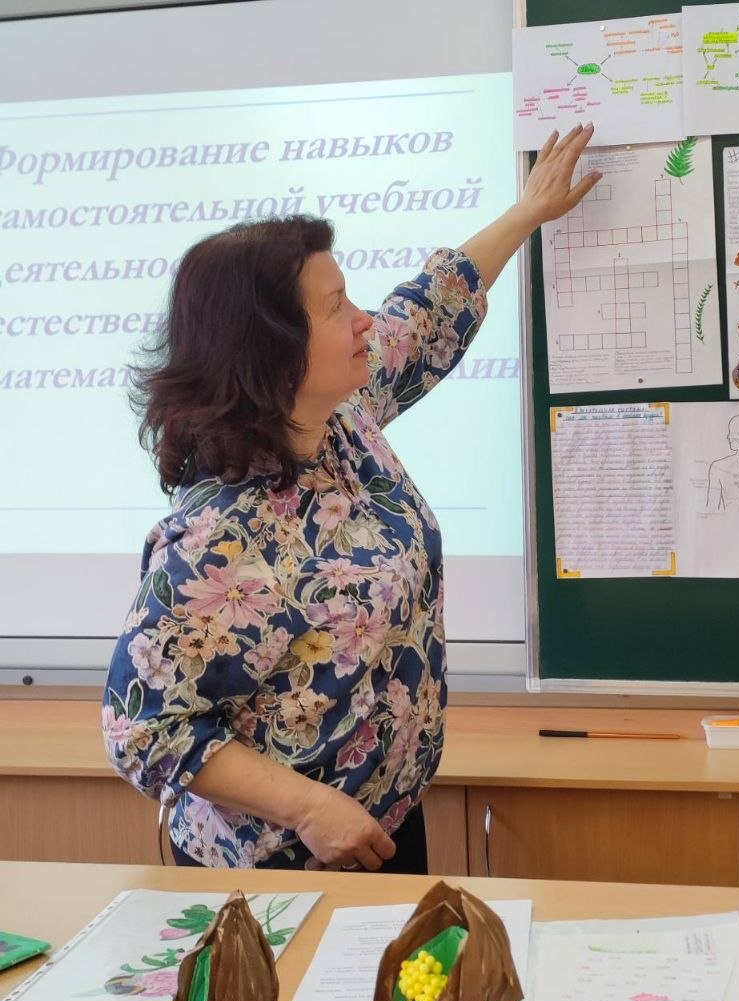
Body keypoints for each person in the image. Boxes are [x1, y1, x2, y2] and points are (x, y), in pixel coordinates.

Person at [102, 124, 601, 873]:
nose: (363, 319)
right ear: (274, 348)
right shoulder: (217, 538)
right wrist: (310, 808)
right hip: (281, 859)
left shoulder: (342, 419)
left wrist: (528, 212)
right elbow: (141, 730)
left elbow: (428, 311)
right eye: (336, 307)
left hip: (380, 818)